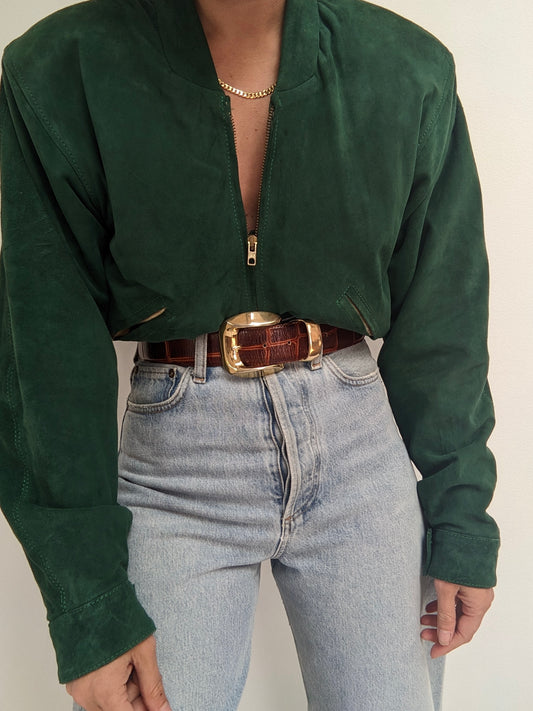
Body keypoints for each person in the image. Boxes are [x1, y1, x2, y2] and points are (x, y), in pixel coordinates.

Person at [0, 0, 499, 709]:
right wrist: (89, 606)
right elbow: (44, 350)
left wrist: (461, 516)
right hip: (175, 471)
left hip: (360, 455)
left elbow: (444, 311)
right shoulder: (61, 68)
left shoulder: (405, 68)